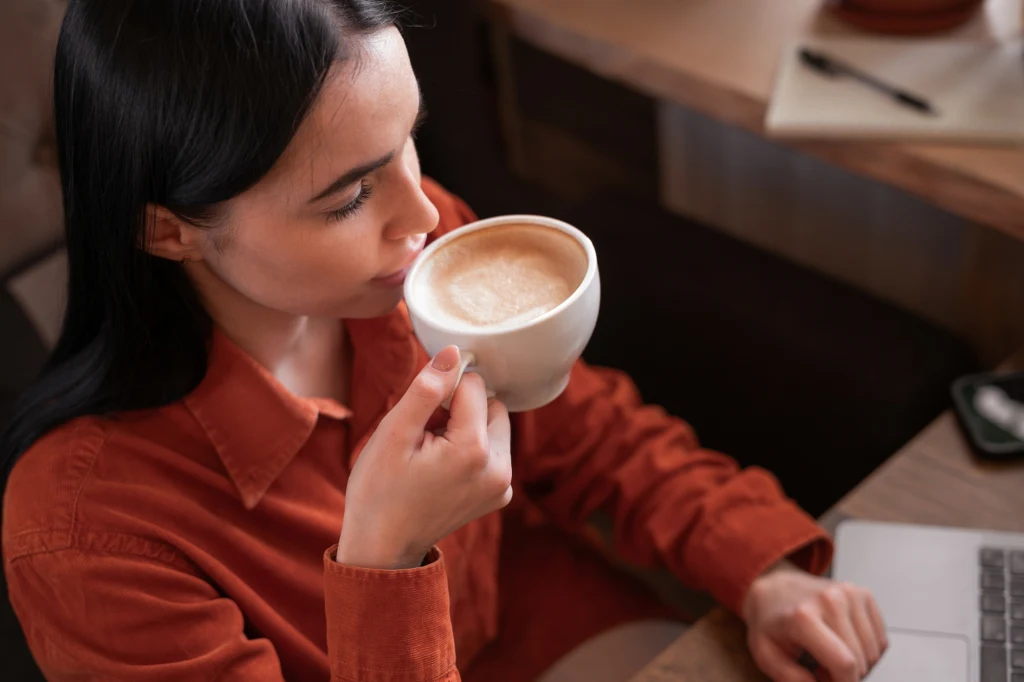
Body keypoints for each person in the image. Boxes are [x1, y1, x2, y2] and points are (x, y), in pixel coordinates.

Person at [0, 1, 887, 681]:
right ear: (169, 230)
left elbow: (590, 431)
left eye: (408, 143)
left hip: (538, 623)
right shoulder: (86, 535)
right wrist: (381, 563)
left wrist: (761, 569)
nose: (424, 215)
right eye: (350, 197)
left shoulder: (413, 269)